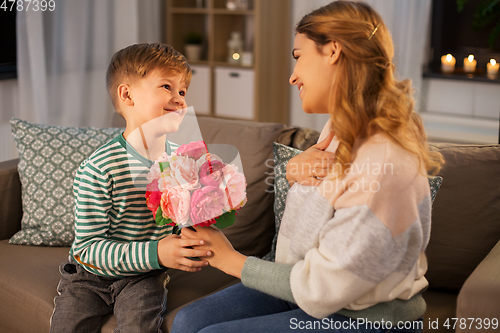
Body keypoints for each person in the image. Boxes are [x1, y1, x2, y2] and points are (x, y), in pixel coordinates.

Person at [171, 1, 444, 333]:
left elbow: (323, 286)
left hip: (361, 316)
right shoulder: (340, 129)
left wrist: (231, 260)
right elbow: (321, 219)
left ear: (332, 51)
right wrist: (292, 172)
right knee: (187, 321)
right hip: (306, 293)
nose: (292, 76)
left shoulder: (383, 162)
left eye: (298, 56)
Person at [50, 43, 211, 333]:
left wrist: (203, 217)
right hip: (89, 275)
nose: (180, 100)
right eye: (167, 87)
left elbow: (182, 223)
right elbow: (87, 248)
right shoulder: (99, 168)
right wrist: (157, 253)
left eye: (183, 91)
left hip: (144, 276)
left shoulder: (182, 163)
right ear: (127, 95)